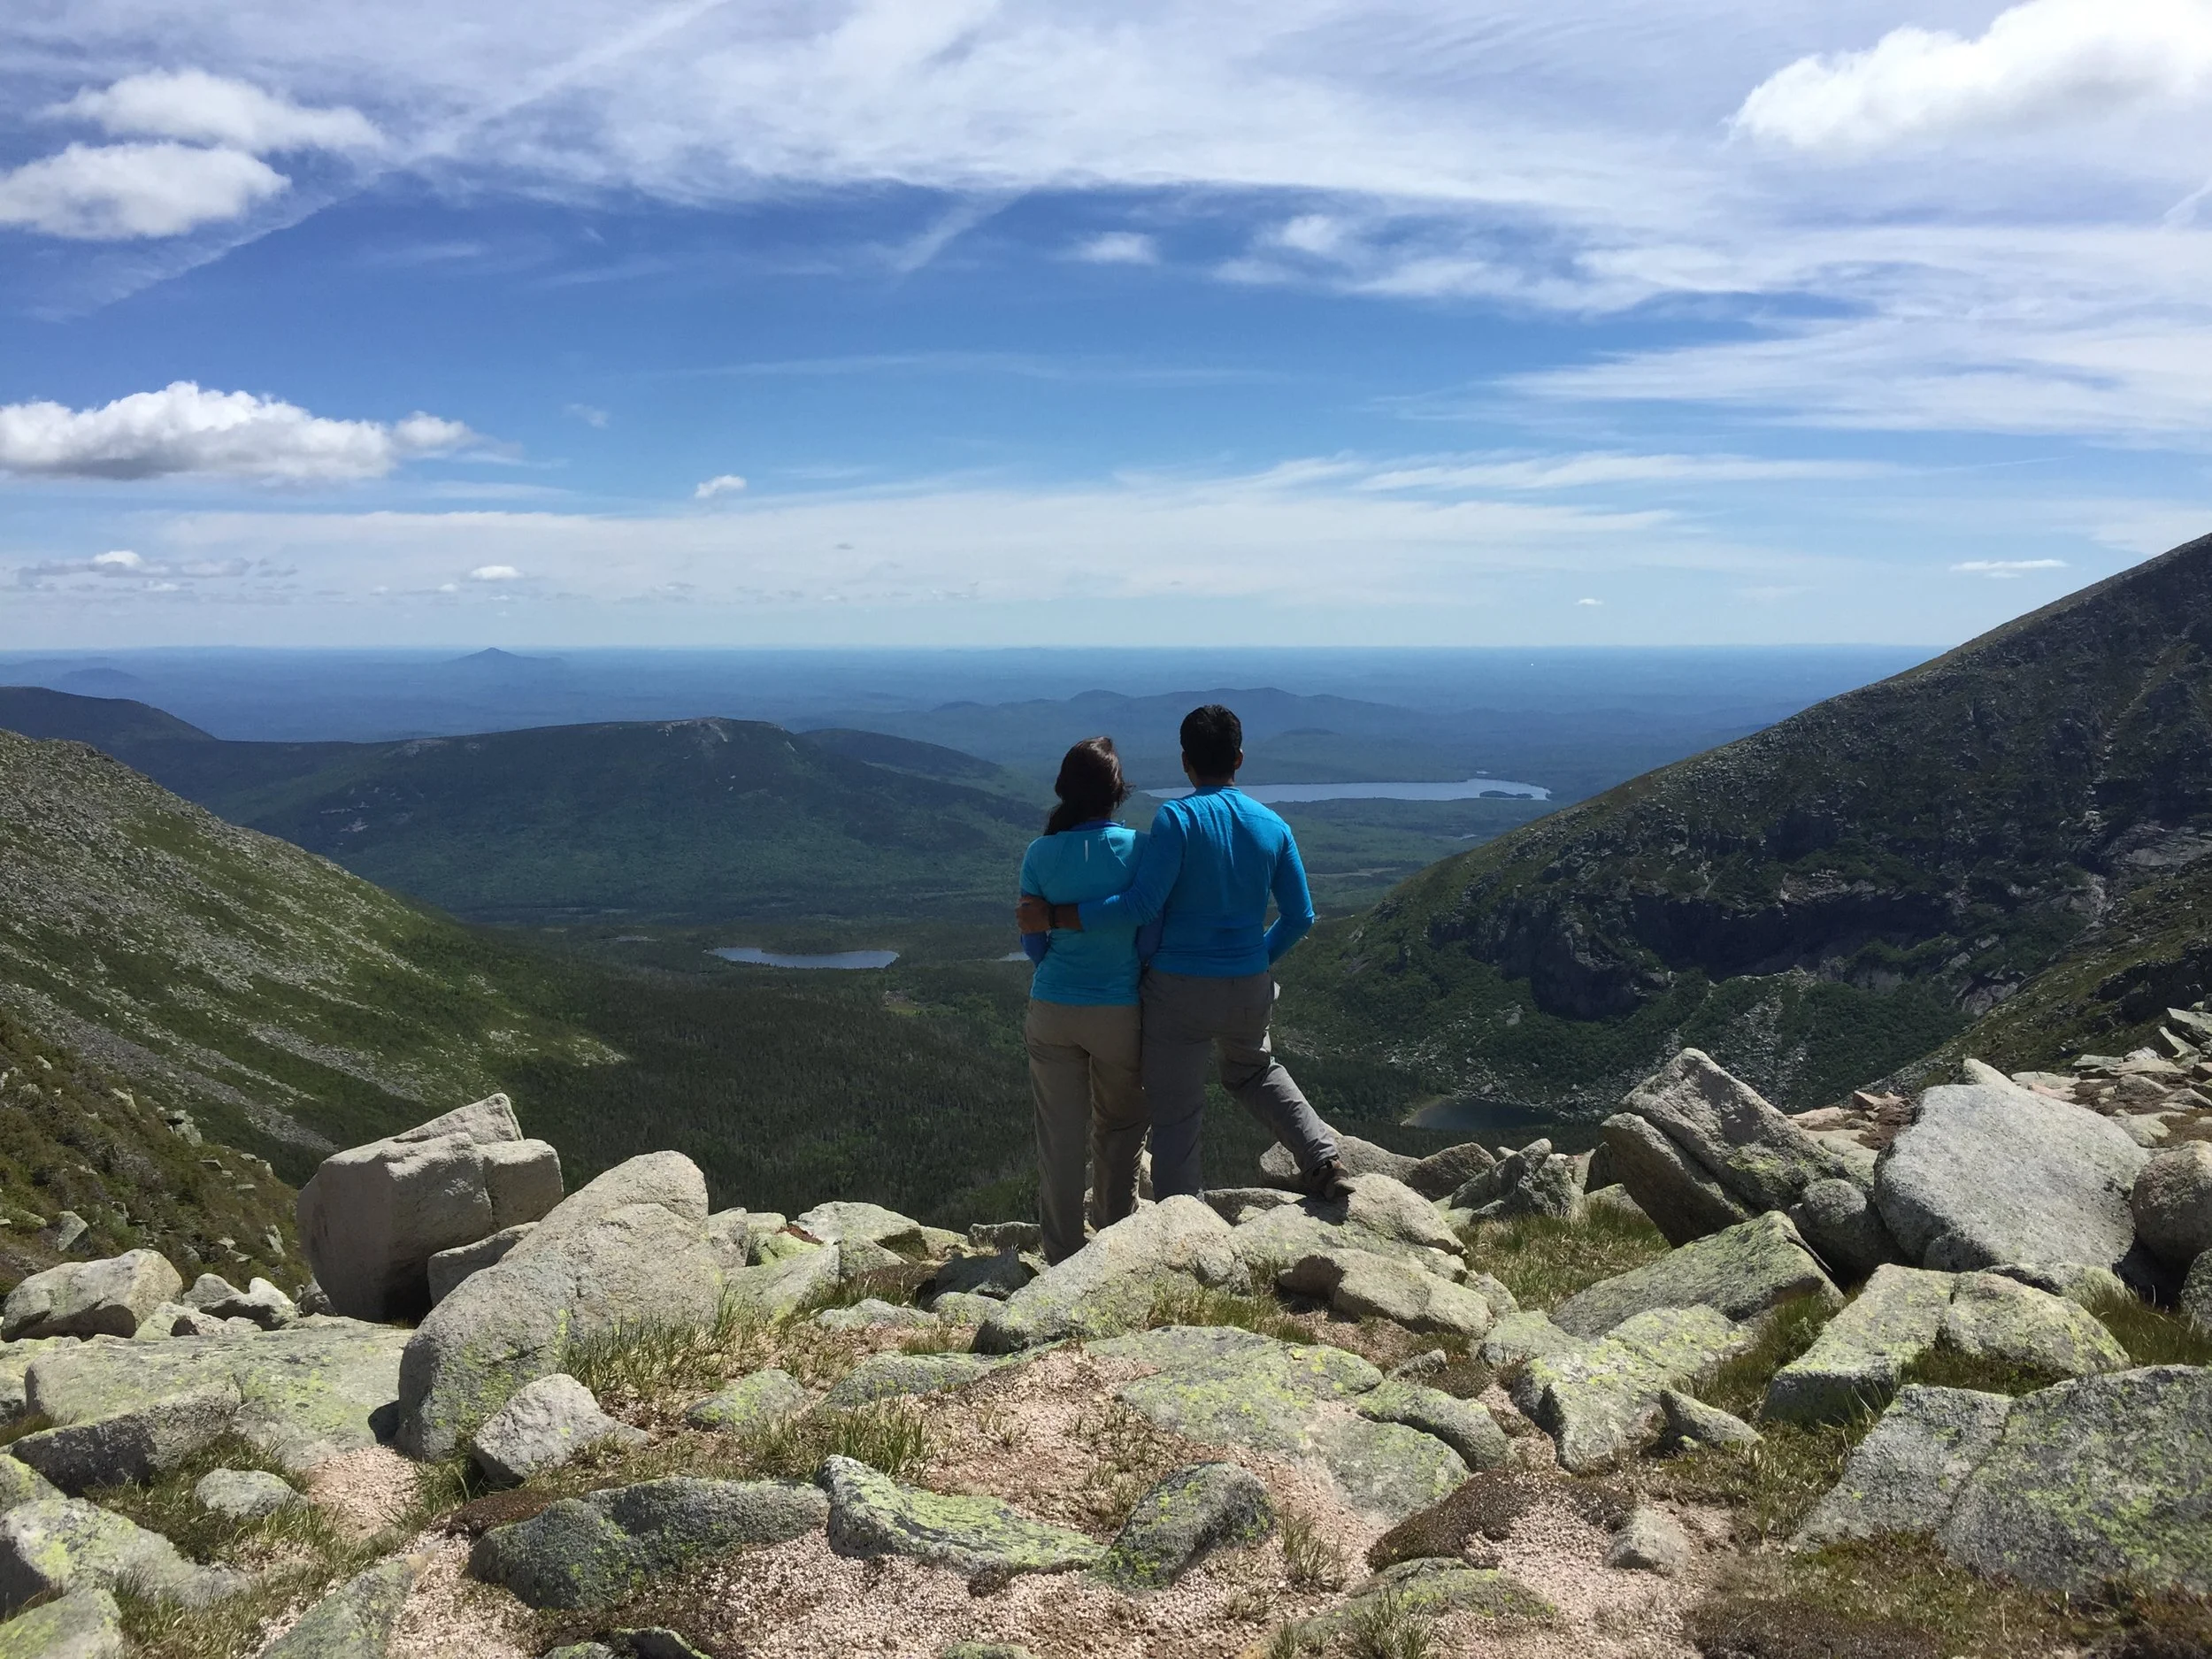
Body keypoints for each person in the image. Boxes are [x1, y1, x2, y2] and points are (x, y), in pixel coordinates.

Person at [1019, 704, 1345, 1201]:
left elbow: (1144, 904)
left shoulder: (1176, 818)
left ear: (1185, 762)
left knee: (1176, 1115)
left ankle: (1178, 1228)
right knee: (1254, 1071)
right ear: (1239, 757)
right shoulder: (1274, 826)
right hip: (1248, 984)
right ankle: (1321, 1155)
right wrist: (1255, 956)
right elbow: (1300, 916)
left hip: (1177, 991)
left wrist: (1060, 918)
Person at [1016, 736, 1151, 1263]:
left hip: (1053, 1007)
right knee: (1119, 1129)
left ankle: (1063, 1255)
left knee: (1060, 1138)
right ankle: (1117, 1248)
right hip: (1120, 1010)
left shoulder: (1040, 853)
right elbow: (1149, 934)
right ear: (1118, 793)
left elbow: (1033, 941)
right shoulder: (1140, 850)